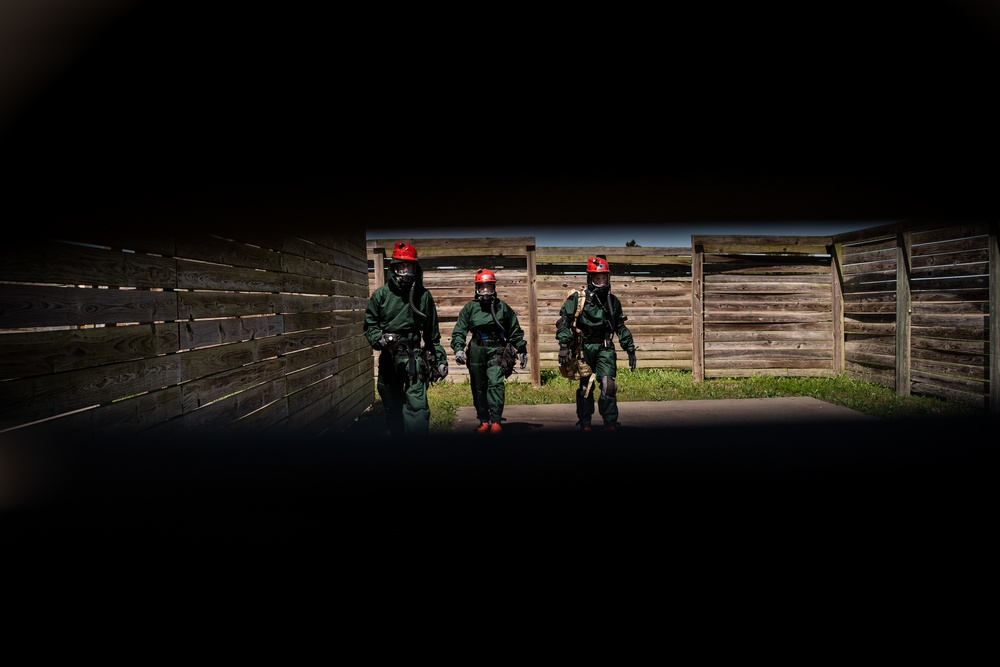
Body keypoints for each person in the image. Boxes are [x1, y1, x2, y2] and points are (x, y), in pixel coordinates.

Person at [364, 241, 448, 437]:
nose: (404, 271)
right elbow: (370, 324)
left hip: (413, 358)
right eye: (400, 266)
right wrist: (380, 339)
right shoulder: (381, 295)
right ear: (393, 268)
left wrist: (441, 360)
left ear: (415, 268)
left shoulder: (423, 297)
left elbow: (432, 336)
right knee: (392, 406)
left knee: (417, 407)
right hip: (389, 357)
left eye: (408, 266)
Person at [556, 255, 636, 432]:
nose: (601, 282)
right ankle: (585, 423)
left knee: (608, 384)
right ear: (590, 279)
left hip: (605, 347)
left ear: (608, 278)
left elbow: (620, 326)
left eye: (604, 278)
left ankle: (610, 423)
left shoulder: (613, 301)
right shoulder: (579, 299)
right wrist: (563, 346)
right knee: (586, 386)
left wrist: (629, 348)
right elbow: (563, 322)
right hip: (584, 348)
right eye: (597, 278)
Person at [451, 268, 528, 434]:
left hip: (497, 349)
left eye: (489, 287)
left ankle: (495, 421)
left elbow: (514, 329)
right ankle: (483, 420)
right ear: (477, 288)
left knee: (495, 383)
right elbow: (459, 330)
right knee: (478, 386)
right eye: (482, 287)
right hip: (476, 349)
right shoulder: (470, 308)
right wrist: (458, 348)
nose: (485, 291)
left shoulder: (502, 308)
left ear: (494, 288)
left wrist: (521, 349)